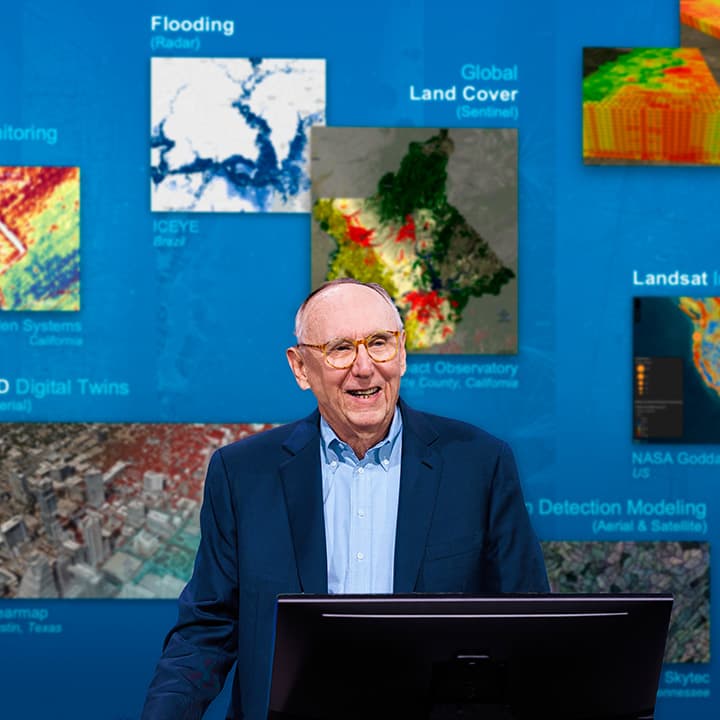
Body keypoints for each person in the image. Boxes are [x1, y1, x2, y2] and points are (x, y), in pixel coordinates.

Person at [142, 279, 548, 720]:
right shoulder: (242, 474)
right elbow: (207, 630)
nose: (364, 367)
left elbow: (527, 629)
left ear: (403, 352)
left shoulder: (480, 464)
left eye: (379, 343)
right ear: (300, 368)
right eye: (339, 348)